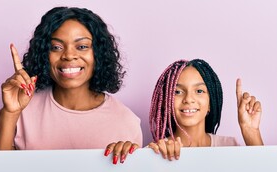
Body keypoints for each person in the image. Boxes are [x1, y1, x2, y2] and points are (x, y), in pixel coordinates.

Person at [0, 7, 143, 150]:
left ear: (98, 55)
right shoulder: (23, 110)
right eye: (56, 47)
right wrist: (9, 112)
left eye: (82, 46)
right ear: (44, 55)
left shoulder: (125, 121)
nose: (68, 55)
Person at [105, 59, 263, 162]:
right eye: (177, 92)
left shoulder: (230, 146)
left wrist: (251, 132)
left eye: (199, 91)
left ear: (210, 103)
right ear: (166, 102)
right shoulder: (156, 152)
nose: (188, 99)